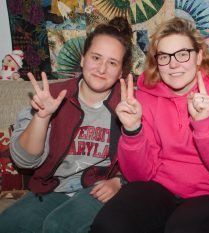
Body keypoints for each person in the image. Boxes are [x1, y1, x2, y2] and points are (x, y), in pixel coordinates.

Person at [90, 17, 209, 233]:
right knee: (110, 224)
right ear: (156, 61)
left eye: (182, 54)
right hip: (160, 190)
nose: (173, 64)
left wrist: (206, 125)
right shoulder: (145, 98)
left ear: (199, 56)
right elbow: (138, 177)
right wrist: (133, 131)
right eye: (164, 56)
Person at [0, 16, 132, 233]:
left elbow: (148, 156)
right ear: (82, 59)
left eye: (112, 63)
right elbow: (24, 161)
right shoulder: (51, 95)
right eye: (96, 57)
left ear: (120, 72)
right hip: (53, 186)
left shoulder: (129, 104)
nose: (101, 68)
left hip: (98, 187)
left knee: (57, 226)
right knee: (8, 225)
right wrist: (42, 117)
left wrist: (120, 181)